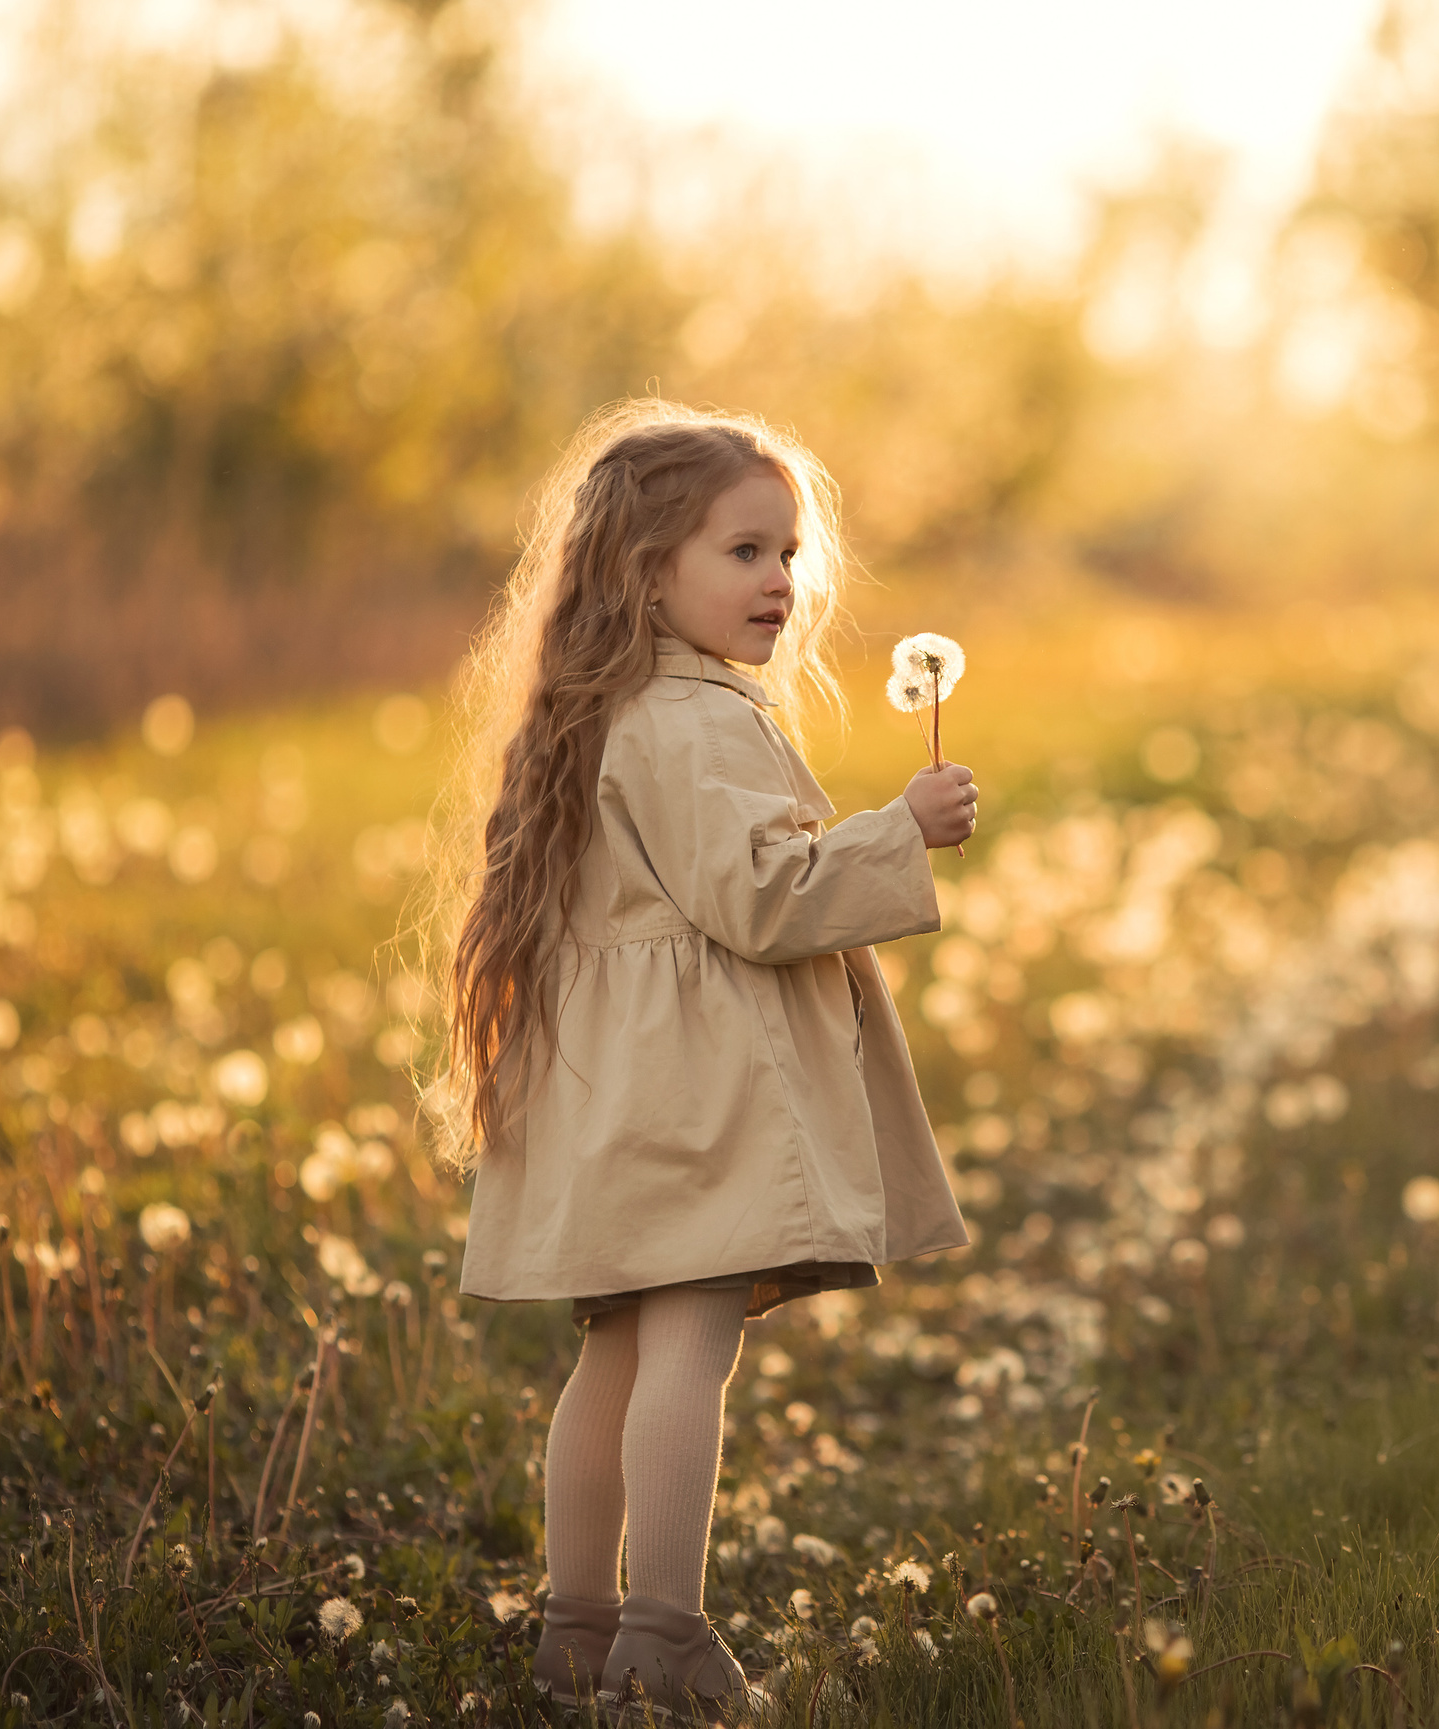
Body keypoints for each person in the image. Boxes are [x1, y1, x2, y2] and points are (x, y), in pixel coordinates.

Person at [424, 400, 977, 1721]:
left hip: (628, 1092)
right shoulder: (692, 720)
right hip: (703, 1093)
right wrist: (898, 828)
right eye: (743, 551)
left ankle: (577, 1627)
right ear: (643, 571)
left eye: (789, 553)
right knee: (686, 1350)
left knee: (612, 1351)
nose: (780, 580)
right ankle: (663, 1632)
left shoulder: (609, 715)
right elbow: (760, 897)